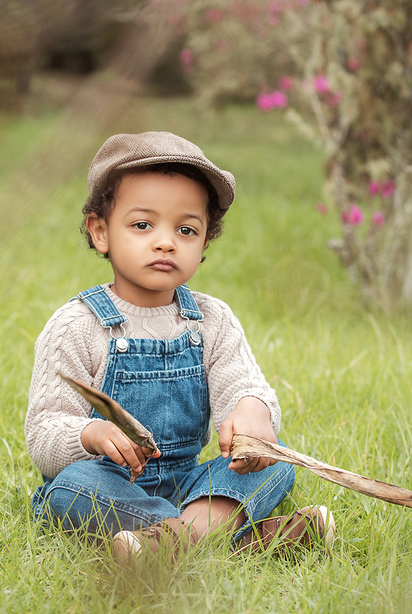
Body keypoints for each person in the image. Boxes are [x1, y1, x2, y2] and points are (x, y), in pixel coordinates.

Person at [24, 131, 334, 562]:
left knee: (277, 465)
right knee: (72, 488)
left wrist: (251, 410)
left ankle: (167, 545)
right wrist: (89, 434)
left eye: (186, 229)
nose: (165, 241)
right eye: (142, 225)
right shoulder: (77, 325)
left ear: (204, 242)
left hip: (190, 484)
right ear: (100, 231)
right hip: (111, 483)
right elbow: (44, 431)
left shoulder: (212, 320)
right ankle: (234, 540)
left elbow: (243, 384)